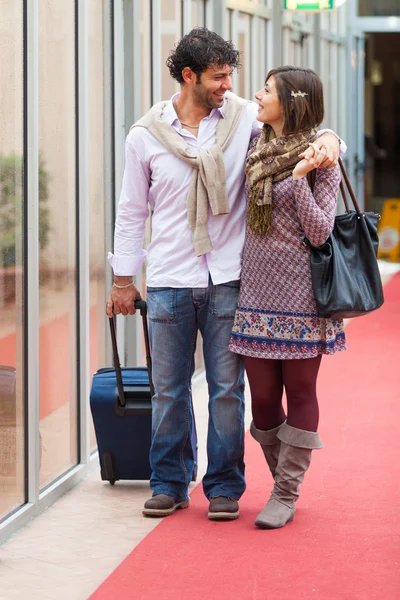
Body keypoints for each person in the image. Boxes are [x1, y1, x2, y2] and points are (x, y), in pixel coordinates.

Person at [106, 28, 342, 522]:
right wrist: (124, 278)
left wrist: (330, 138)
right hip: (171, 276)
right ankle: (169, 481)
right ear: (189, 76)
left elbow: (298, 131)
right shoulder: (145, 134)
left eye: (231, 74)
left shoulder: (241, 123)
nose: (229, 85)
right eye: (219, 76)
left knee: (226, 392)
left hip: (232, 278)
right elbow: (131, 212)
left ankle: (225, 485)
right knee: (168, 390)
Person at [229, 66, 346, 529]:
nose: (257, 95)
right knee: (260, 400)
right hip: (255, 291)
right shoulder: (258, 144)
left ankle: (285, 491)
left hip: (302, 296)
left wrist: (300, 178)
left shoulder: (322, 161)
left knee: (299, 392)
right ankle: (283, 477)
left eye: (267, 90)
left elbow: (320, 232)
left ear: (291, 102)